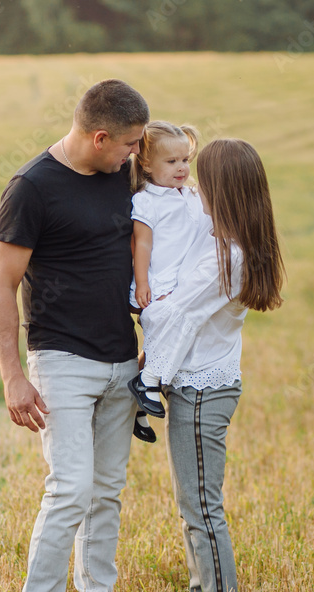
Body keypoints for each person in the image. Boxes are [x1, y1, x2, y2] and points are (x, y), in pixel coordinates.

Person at [0, 79, 149, 592]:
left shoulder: (121, 175)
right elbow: (0, 286)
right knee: (71, 488)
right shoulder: (32, 188)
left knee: (107, 488)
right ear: (100, 137)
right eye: (130, 144)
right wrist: (13, 376)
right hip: (60, 359)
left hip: (121, 359)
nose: (137, 155)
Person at [128, 138, 285, 592]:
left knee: (200, 506)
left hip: (201, 389)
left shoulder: (230, 256)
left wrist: (141, 304)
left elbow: (174, 314)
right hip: (194, 382)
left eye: (203, 178)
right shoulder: (221, 240)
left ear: (224, 189)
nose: (193, 183)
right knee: (193, 503)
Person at [125, 121, 203, 440]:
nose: (181, 168)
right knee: (165, 334)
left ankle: (139, 404)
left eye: (185, 160)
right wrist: (142, 283)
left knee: (166, 341)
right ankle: (147, 385)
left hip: (181, 282)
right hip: (158, 283)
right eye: (171, 162)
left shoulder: (189, 194)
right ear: (145, 163)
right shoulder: (148, 200)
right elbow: (141, 244)